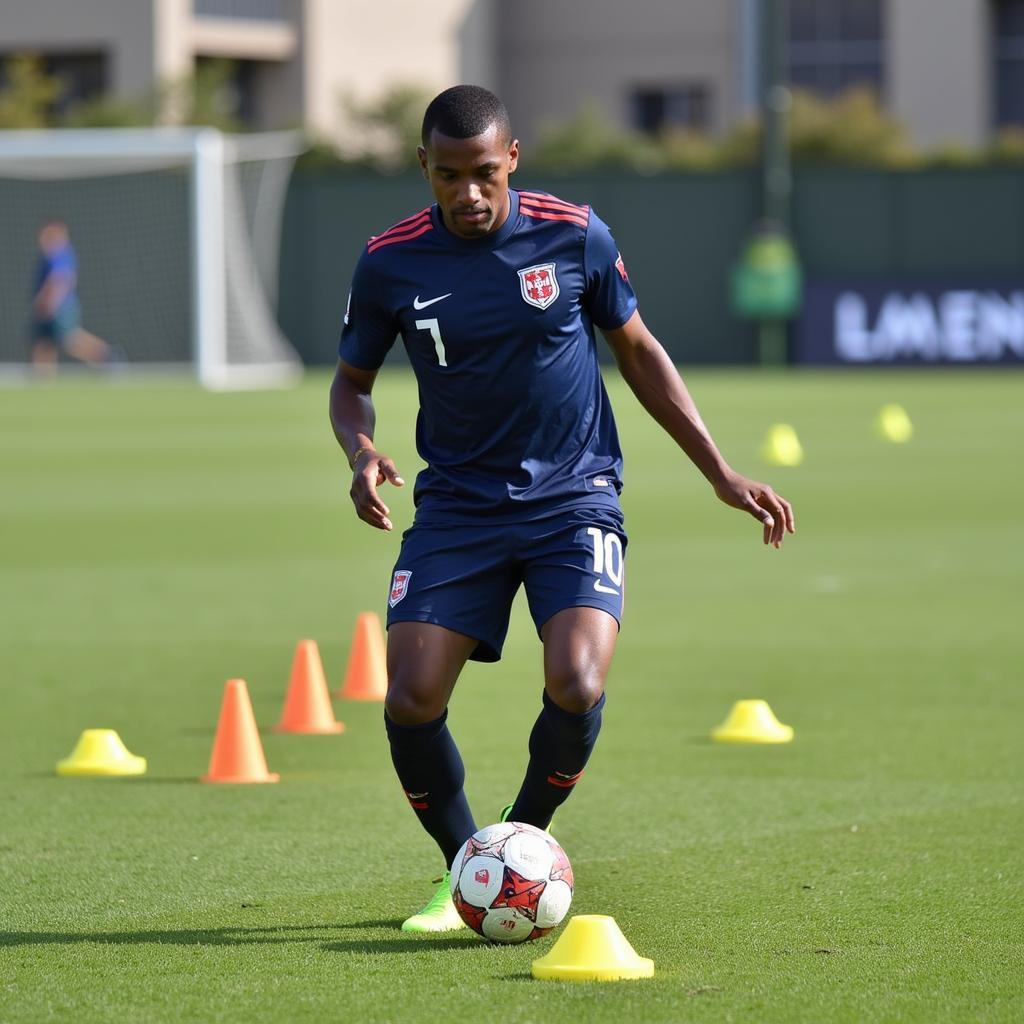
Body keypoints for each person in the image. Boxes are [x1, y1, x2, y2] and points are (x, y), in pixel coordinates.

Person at [329, 85, 795, 933]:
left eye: (482, 173)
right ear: (424, 169)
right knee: (409, 698)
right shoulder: (388, 260)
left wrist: (719, 471)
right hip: (458, 508)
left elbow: (641, 353)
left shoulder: (574, 233)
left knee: (578, 682)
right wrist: (362, 453)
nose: (467, 194)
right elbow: (350, 386)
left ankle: (518, 854)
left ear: (511, 158)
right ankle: (464, 868)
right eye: (447, 176)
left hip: (573, 497)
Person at [30, 221, 118, 372]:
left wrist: (51, 302)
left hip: (60, 309)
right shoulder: (48, 256)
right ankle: (42, 380)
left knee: (70, 340)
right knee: (43, 342)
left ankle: (107, 356)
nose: (43, 238)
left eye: (47, 234)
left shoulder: (60, 254)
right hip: (49, 308)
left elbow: (61, 280)